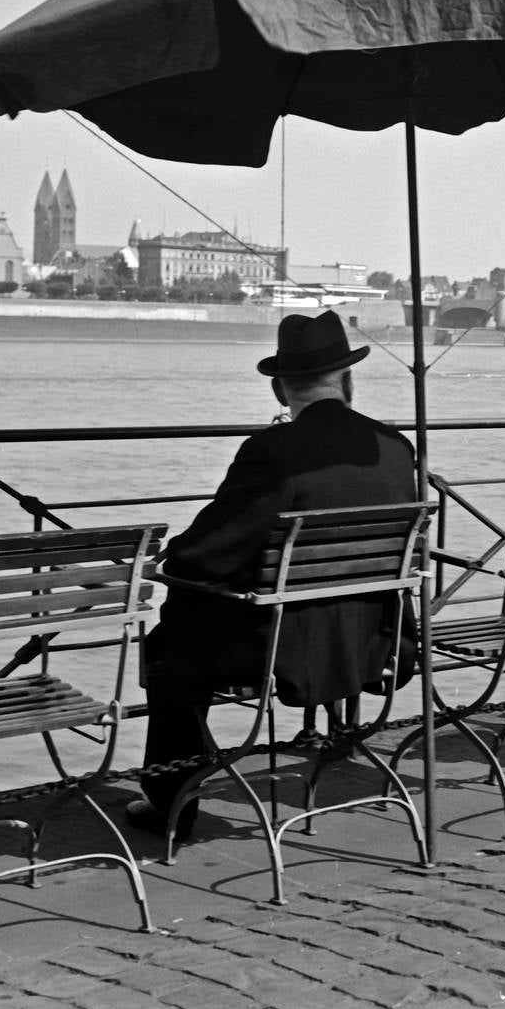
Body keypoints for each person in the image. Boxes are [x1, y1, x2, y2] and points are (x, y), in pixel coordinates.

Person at [126, 309, 417, 837]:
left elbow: (209, 554)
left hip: (288, 646)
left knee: (168, 651)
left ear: (281, 391)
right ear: (347, 381)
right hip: (373, 637)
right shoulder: (396, 449)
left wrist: (171, 556)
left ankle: (172, 802)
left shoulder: (272, 451)